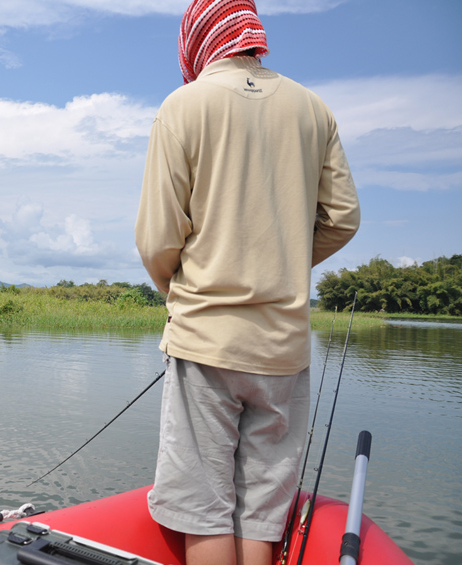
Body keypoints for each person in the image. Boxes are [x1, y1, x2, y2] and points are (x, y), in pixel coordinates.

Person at [134, 1, 360, 564]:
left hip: (205, 340)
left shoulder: (182, 106)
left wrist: (188, 291)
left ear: (196, 35)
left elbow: (157, 238)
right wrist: (280, 264)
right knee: (260, 512)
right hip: (284, 348)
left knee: (204, 509)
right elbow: (343, 218)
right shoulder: (314, 109)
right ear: (250, 31)